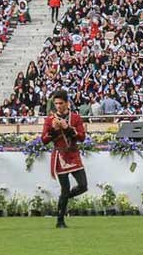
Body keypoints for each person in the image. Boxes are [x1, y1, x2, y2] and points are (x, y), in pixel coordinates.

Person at [41, 90, 87, 228]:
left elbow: (82, 137)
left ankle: (64, 199)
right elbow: (43, 140)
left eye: (61, 103)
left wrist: (68, 128)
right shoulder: (49, 120)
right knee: (65, 189)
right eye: (56, 103)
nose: (58, 106)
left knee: (83, 186)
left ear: (67, 103)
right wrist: (54, 130)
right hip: (60, 156)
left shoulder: (76, 118)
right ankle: (60, 220)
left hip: (73, 153)